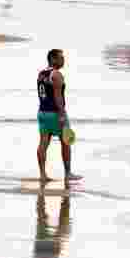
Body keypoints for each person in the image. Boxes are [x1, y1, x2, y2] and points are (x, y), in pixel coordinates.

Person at [36, 49, 82, 185]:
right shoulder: (57, 75)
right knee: (66, 142)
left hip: (42, 113)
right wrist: (62, 114)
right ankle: (68, 174)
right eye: (61, 58)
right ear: (53, 59)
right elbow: (58, 97)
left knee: (43, 144)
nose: (63, 61)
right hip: (55, 113)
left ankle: (42, 174)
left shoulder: (42, 74)